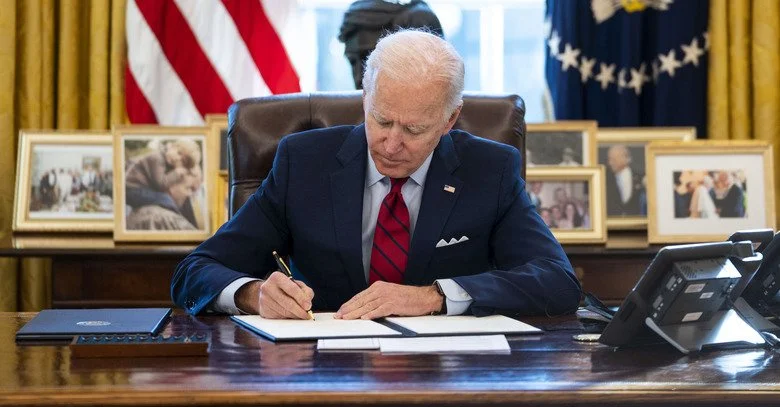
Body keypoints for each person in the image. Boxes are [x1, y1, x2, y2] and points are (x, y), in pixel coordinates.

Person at [171, 29, 581, 319]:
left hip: (448, 377)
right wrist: (252, 293)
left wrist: (436, 296)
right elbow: (196, 270)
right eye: (381, 121)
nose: (391, 143)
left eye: (414, 129)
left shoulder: (490, 171)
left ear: (450, 119)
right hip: (323, 372)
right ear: (366, 99)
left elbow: (557, 282)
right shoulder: (303, 163)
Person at [338, 0, 443, 89]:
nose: (360, 80)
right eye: (353, 62)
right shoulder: (355, 14)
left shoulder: (418, 17)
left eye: (372, 65)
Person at [605, 144, 645, 216]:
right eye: (609, 159)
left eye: (614, 159)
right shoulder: (605, 180)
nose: (610, 163)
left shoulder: (641, 178)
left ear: (626, 158)